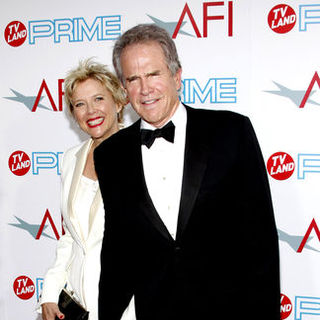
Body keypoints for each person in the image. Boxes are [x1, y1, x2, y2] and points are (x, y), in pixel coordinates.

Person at [94, 24, 280, 320]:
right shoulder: (110, 155)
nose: (145, 89)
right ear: (124, 88)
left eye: (154, 74)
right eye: (133, 79)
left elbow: (261, 243)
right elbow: (118, 248)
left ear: (176, 75)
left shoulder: (231, 132)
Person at [39, 59, 135, 320]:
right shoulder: (71, 159)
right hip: (79, 306)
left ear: (118, 102)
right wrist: (50, 290)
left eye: (98, 99)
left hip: (128, 305)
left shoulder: (141, 155)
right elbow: (71, 236)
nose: (90, 111)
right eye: (80, 104)